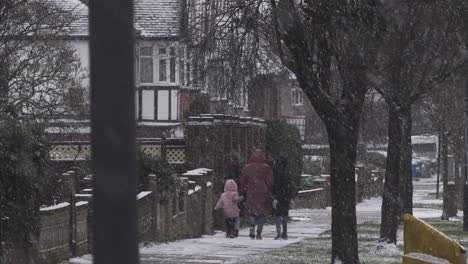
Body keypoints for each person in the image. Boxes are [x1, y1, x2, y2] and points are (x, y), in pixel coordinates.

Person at [240, 148, 274, 240]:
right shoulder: (266, 167)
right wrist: (267, 188)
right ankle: (259, 232)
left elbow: (243, 181)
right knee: (261, 213)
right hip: (263, 192)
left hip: (251, 191)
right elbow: (270, 182)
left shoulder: (247, 167)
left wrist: (244, 190)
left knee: (251, 211)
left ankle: (252, 225)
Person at [272, 156, 291, 240]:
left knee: (277, 215)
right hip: (285, 197)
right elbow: (290, 187)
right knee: (284, 215)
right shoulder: (287, 174)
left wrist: (274, 195)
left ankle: (279, 233)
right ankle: (285, 233)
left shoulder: (276, 173)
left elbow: (274, 186)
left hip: (278, 197)